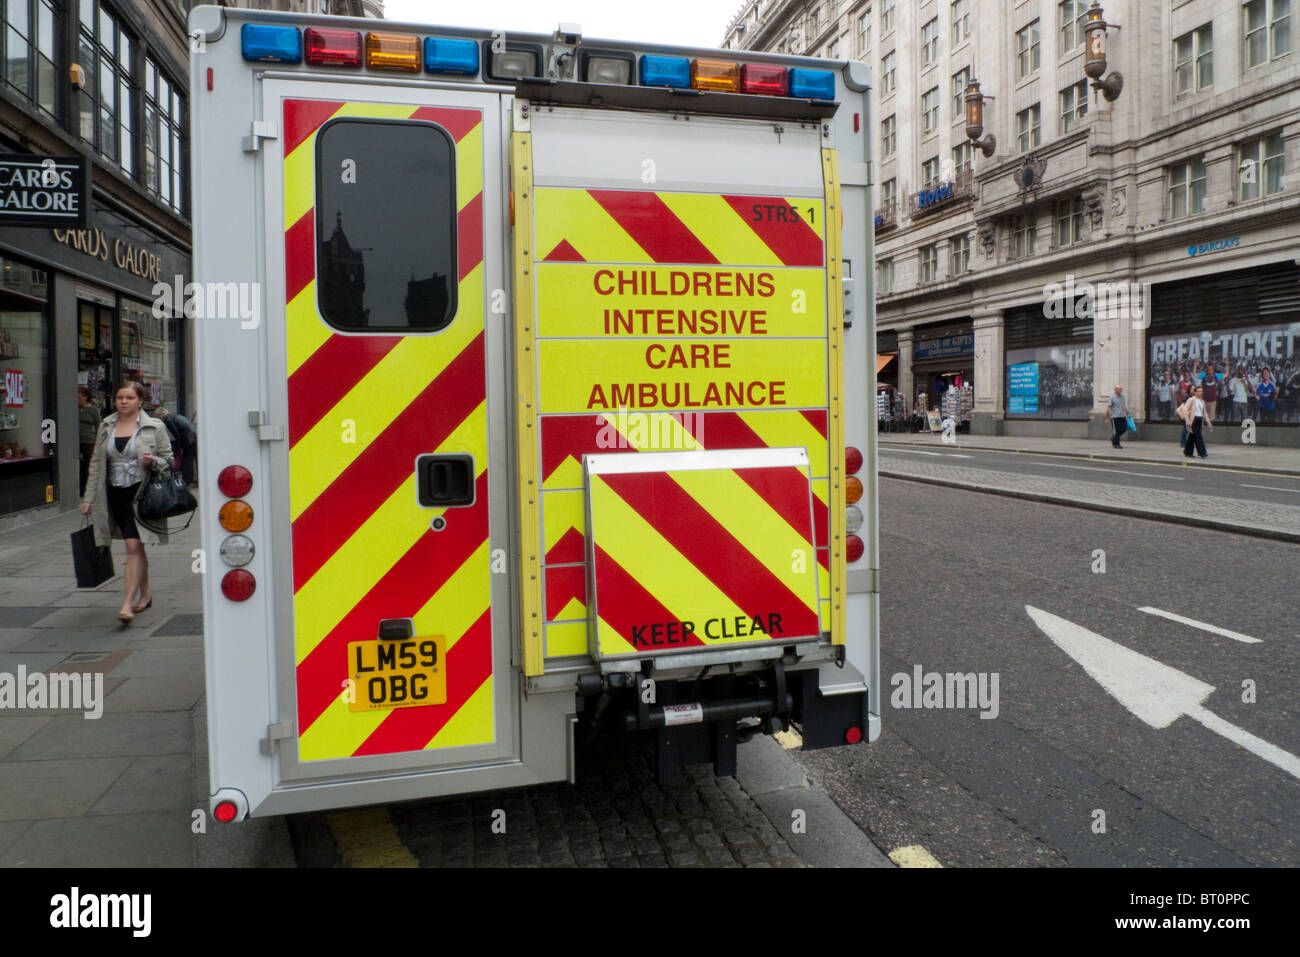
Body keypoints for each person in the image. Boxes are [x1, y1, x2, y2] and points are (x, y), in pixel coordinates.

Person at [80, 381, 174, 623]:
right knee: (136, 546)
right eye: (120, 397)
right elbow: (96, 464)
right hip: (114, 494)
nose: (123, 401)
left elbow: (170, 461)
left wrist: (153, 461)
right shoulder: (106, 425)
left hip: (141, 494)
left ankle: (127, 604)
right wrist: (89, 497)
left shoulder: (155, 427)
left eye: (129, 398)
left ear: (140, 401)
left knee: (132, 547)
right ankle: (146, 594)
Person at [154, 405, 198, 487]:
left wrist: (180, 447)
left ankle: (187, 480)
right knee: (193, 458)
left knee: (187, 459)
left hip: (188, 438)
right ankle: (194, 480)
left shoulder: (168, 420)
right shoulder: (173, 416)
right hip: (193, 435)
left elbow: (176, 434)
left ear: (160, 416)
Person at [77, 386, 101, 497]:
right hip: (76, 441)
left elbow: (99, 426)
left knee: (87, 465)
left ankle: (87, 489)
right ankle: (79, 487)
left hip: (89, 441)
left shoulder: (93, 410)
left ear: (86, 397)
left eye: (80, 397)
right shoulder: (76, 409)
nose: (78, 399)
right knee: (79, 465)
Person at [1182, 384, 1212, 459]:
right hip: (1193, 420)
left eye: (1201, 391)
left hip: (1199, 419)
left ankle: (1188, 452)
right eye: (1198, 391)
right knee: (1198, 436)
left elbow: (1205, 413)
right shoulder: (1192, 399)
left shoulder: (1202, 401)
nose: (1200, 393)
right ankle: (1202, 452)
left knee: (1192, 437)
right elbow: (1184, 409)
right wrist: (1188, 421)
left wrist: (1208, 422)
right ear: (1195, 392)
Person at [1107, 384, 1130, 448]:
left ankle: (1114, 437)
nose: (1121, 390)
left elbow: (1123, 405)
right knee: (1116, 431)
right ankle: (1117, 444)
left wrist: (1127, 412)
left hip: (1122, 416)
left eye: (1121, 389)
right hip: (1115, 417)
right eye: (1119, 389)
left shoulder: (1123, 397)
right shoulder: (1112, 398)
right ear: (1115, 390)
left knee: (1124, 428)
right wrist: (1107, 418)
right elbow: (1108, 408)